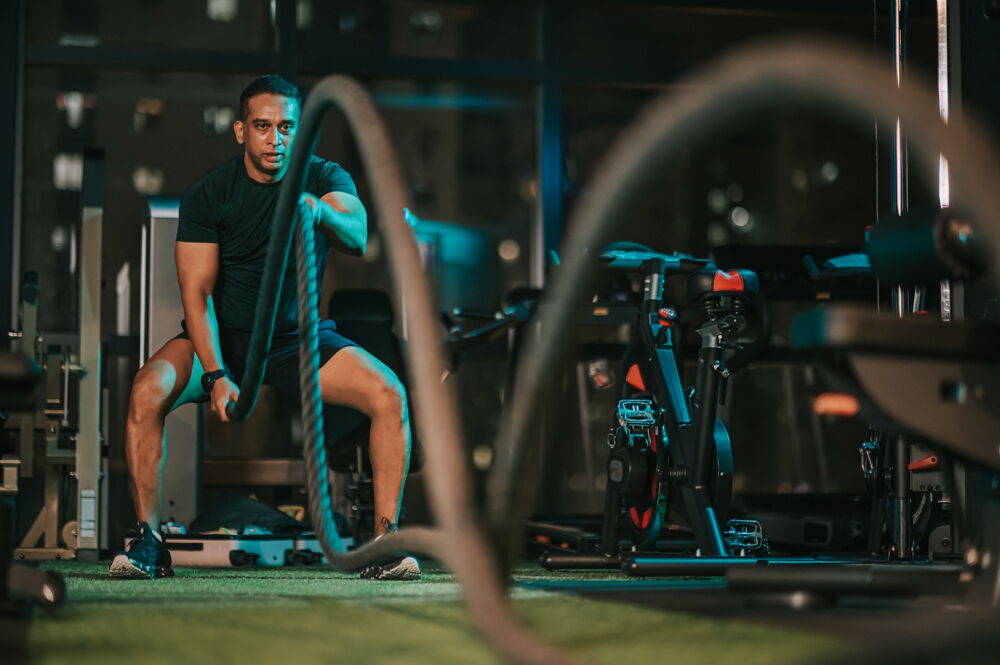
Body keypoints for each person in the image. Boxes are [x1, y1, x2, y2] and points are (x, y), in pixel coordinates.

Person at [109, 74, 418, 580]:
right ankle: (148, 542)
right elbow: (197, 295)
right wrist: (214, 375)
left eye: (287, 128)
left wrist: (316, 211)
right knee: (147, 391)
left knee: (390, 395)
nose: (276, 139)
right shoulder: (211, 195)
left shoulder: (322, 177)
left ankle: (384, 544)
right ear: (241, 132)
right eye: (263, 126)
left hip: (299, 341)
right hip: (223, 340)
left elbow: (358, 234)